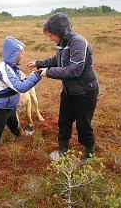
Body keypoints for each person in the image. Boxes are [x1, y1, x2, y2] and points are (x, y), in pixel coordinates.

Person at [26, 12, 99, 160]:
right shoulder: (62, 44)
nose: (50, 38)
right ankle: (62, 150)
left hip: (85, 91)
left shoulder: (78, 42)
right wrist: (39, 63)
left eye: (51, 35)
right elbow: (56, 59)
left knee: (83, 123)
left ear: (60, 32)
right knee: (64, 121)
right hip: (69, 91)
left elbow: (75, 69)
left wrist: (48, 72)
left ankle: (89, 152)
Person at [0, 36, 42, 171]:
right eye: (20, 52)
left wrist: (38, 69)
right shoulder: (4, 69)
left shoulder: (12, 67)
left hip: (9, 107)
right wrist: (37, 75)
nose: (22, 55)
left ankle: (21, 136)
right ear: (12, 53)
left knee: (15, 126)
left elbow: (24, 79)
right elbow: (21, 87)